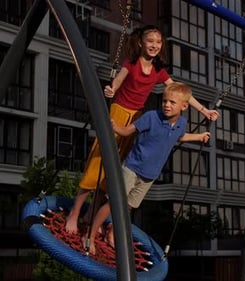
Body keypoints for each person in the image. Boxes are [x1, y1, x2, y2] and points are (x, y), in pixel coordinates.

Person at [65, 25, 219, 234]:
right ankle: (74, 213)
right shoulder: (132, 64)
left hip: (137, 119)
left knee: (115, 171)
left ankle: (91, 214)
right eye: (150, 41)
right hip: (119, 113)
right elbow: (117, 82)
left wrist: (203, 111)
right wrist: (111, 89)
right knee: (98, 163)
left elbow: (181, 93)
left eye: (158, 42)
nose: (154, 45)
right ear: (141, 43)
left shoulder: (158, 71)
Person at [86, 82, 210, 255]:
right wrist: (115, 127)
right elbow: (127, 131)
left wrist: (199, 136)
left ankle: (112, 233)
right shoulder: (151, 117)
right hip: (132, 168)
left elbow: (179, 136)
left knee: (129, 207)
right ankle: (90, 236)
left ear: (184, 106)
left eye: (172, 102)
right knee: (114, 204)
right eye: (165, 101)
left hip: (150, 175)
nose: (167, 105)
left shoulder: (182, 122)